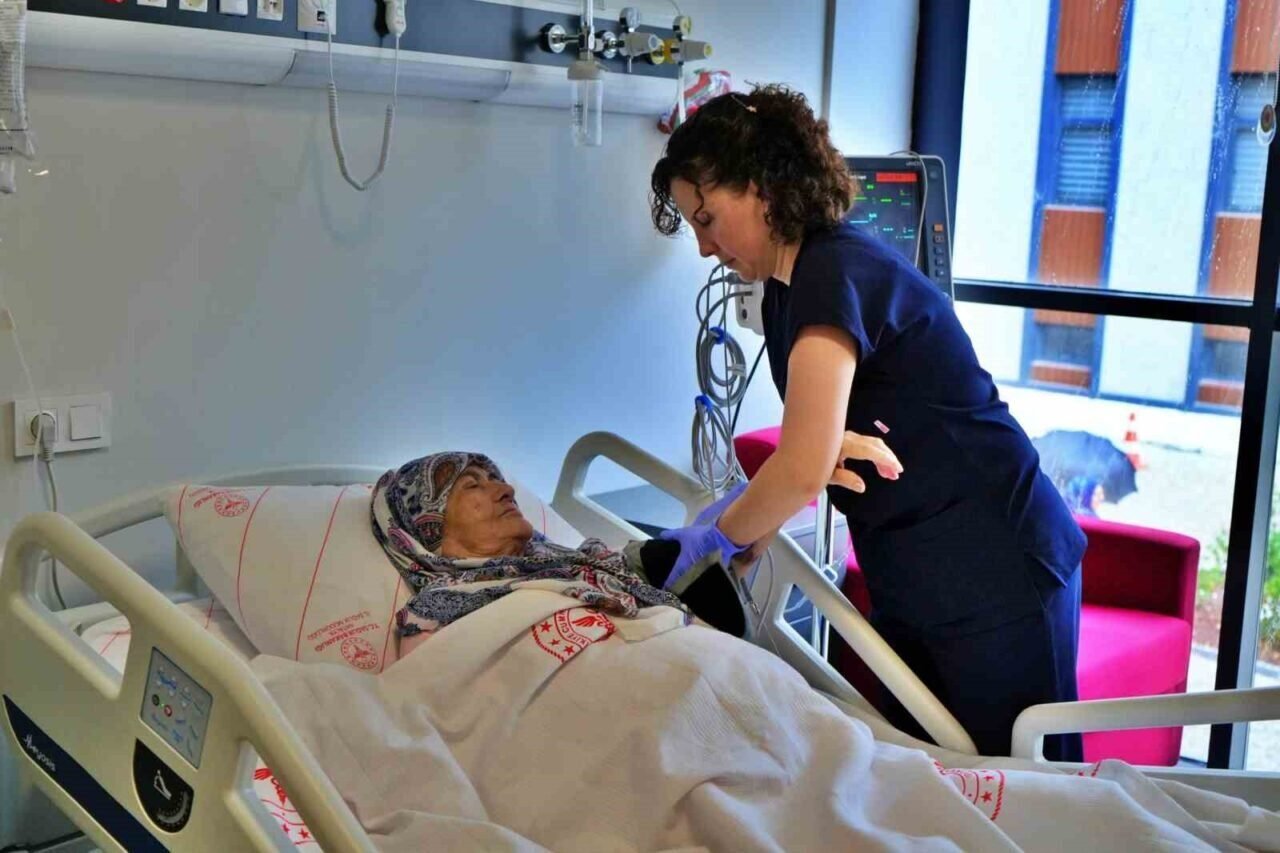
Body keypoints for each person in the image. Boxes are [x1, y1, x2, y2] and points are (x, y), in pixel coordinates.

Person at [648, 84, 1088, 761]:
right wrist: (781, 493)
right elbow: (831, 434)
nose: (705, 247)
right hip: (914, 572)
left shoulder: (834, 270)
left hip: (998, 568)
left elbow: (801, 466)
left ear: (762, 185)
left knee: (1026, 790)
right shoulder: (785, 292)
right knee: (933, 785)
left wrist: (717, 544)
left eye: (707, 218)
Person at [370, 451, 753, 658]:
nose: (506, 489)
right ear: (427, 527)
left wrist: (696, 557)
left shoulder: (596, 568)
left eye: (496, 479)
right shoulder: (434, 619)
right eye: (473, 486)